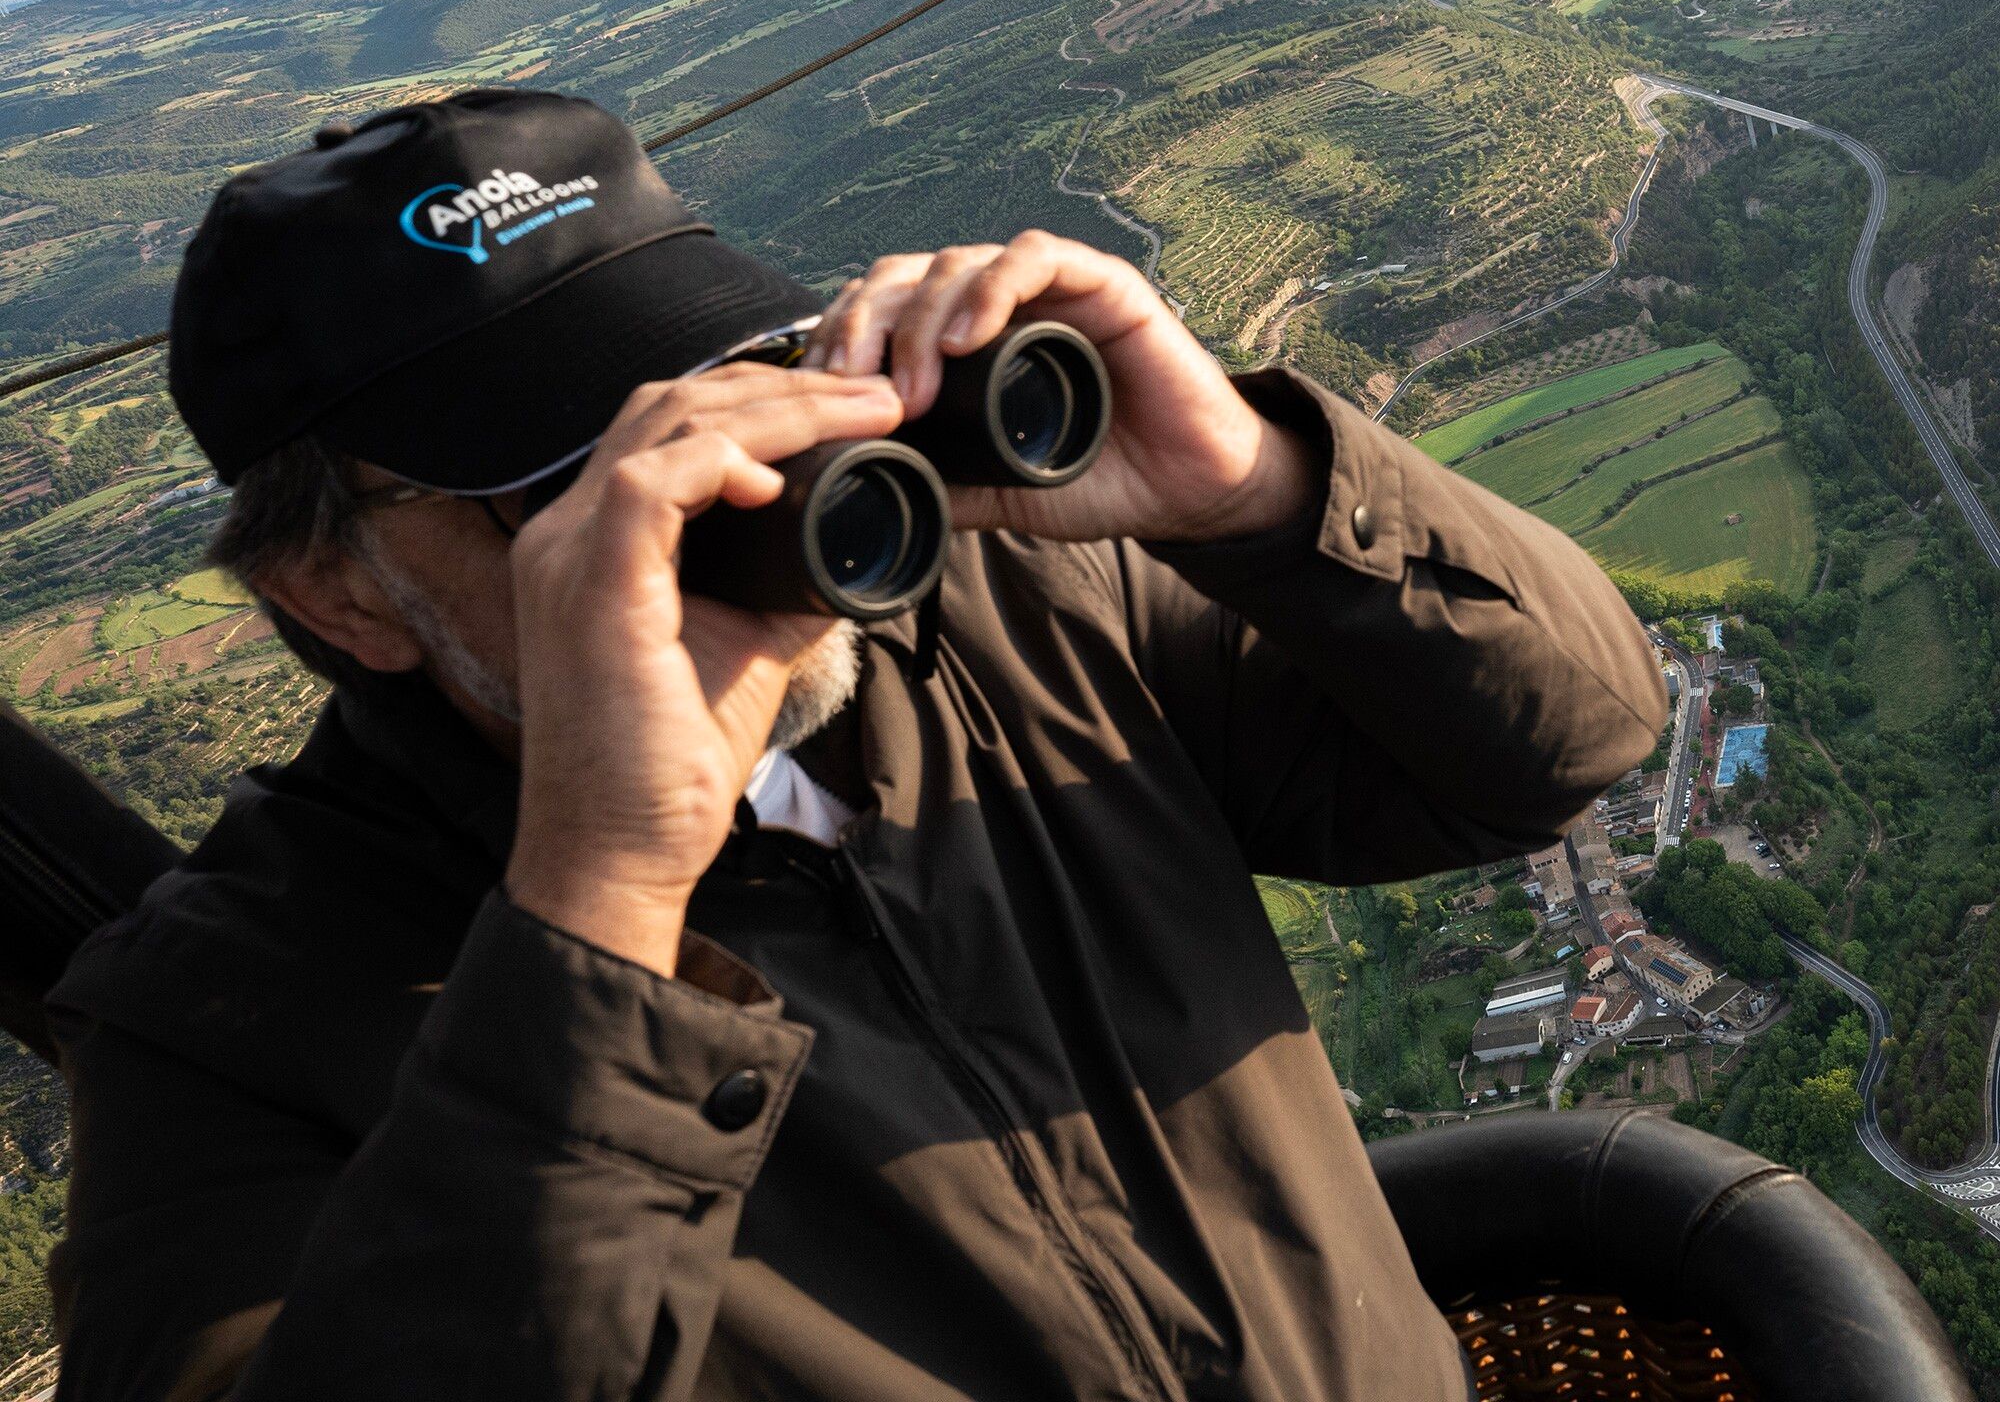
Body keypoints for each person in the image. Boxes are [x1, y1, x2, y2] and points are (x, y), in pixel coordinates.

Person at [47, 89, 1664, 1401]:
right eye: (597, 483)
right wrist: (603, 902)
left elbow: (1563, 745)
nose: (743, 487)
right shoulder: (217, 1025)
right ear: (339, 591)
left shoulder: (1014, 601)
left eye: (743, 383)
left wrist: (1253, 490)